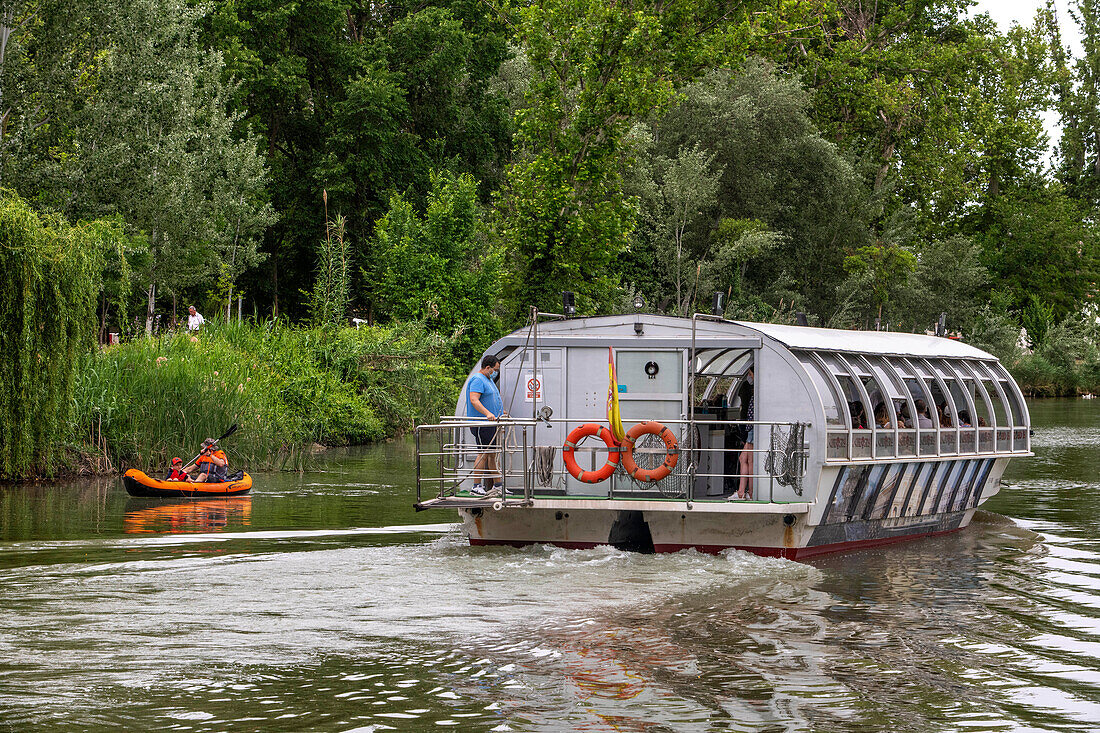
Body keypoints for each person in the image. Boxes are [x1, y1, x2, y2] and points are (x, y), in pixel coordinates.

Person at [465, 355, 507, 496]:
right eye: (495, 370)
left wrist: (501, 412)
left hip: (491, 423)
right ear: (487, 367)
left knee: (492, 455)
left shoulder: (489, 379)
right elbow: (474, 400)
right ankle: (476, 486)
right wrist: (488, 413)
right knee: (483, 453)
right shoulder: (478, 379)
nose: (496, 372)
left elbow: (491, 398)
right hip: (481, 423)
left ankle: (498, 485)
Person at [734, 366, 754, 500]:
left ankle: (750, 492)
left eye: (750, 373)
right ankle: (742, 492)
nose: (749, 376)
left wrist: (746, 431)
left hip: (752, 429)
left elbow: (750, 414)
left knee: (750, 460)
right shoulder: (753, 390)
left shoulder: (756, 392)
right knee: (744, 459)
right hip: (750, 429)